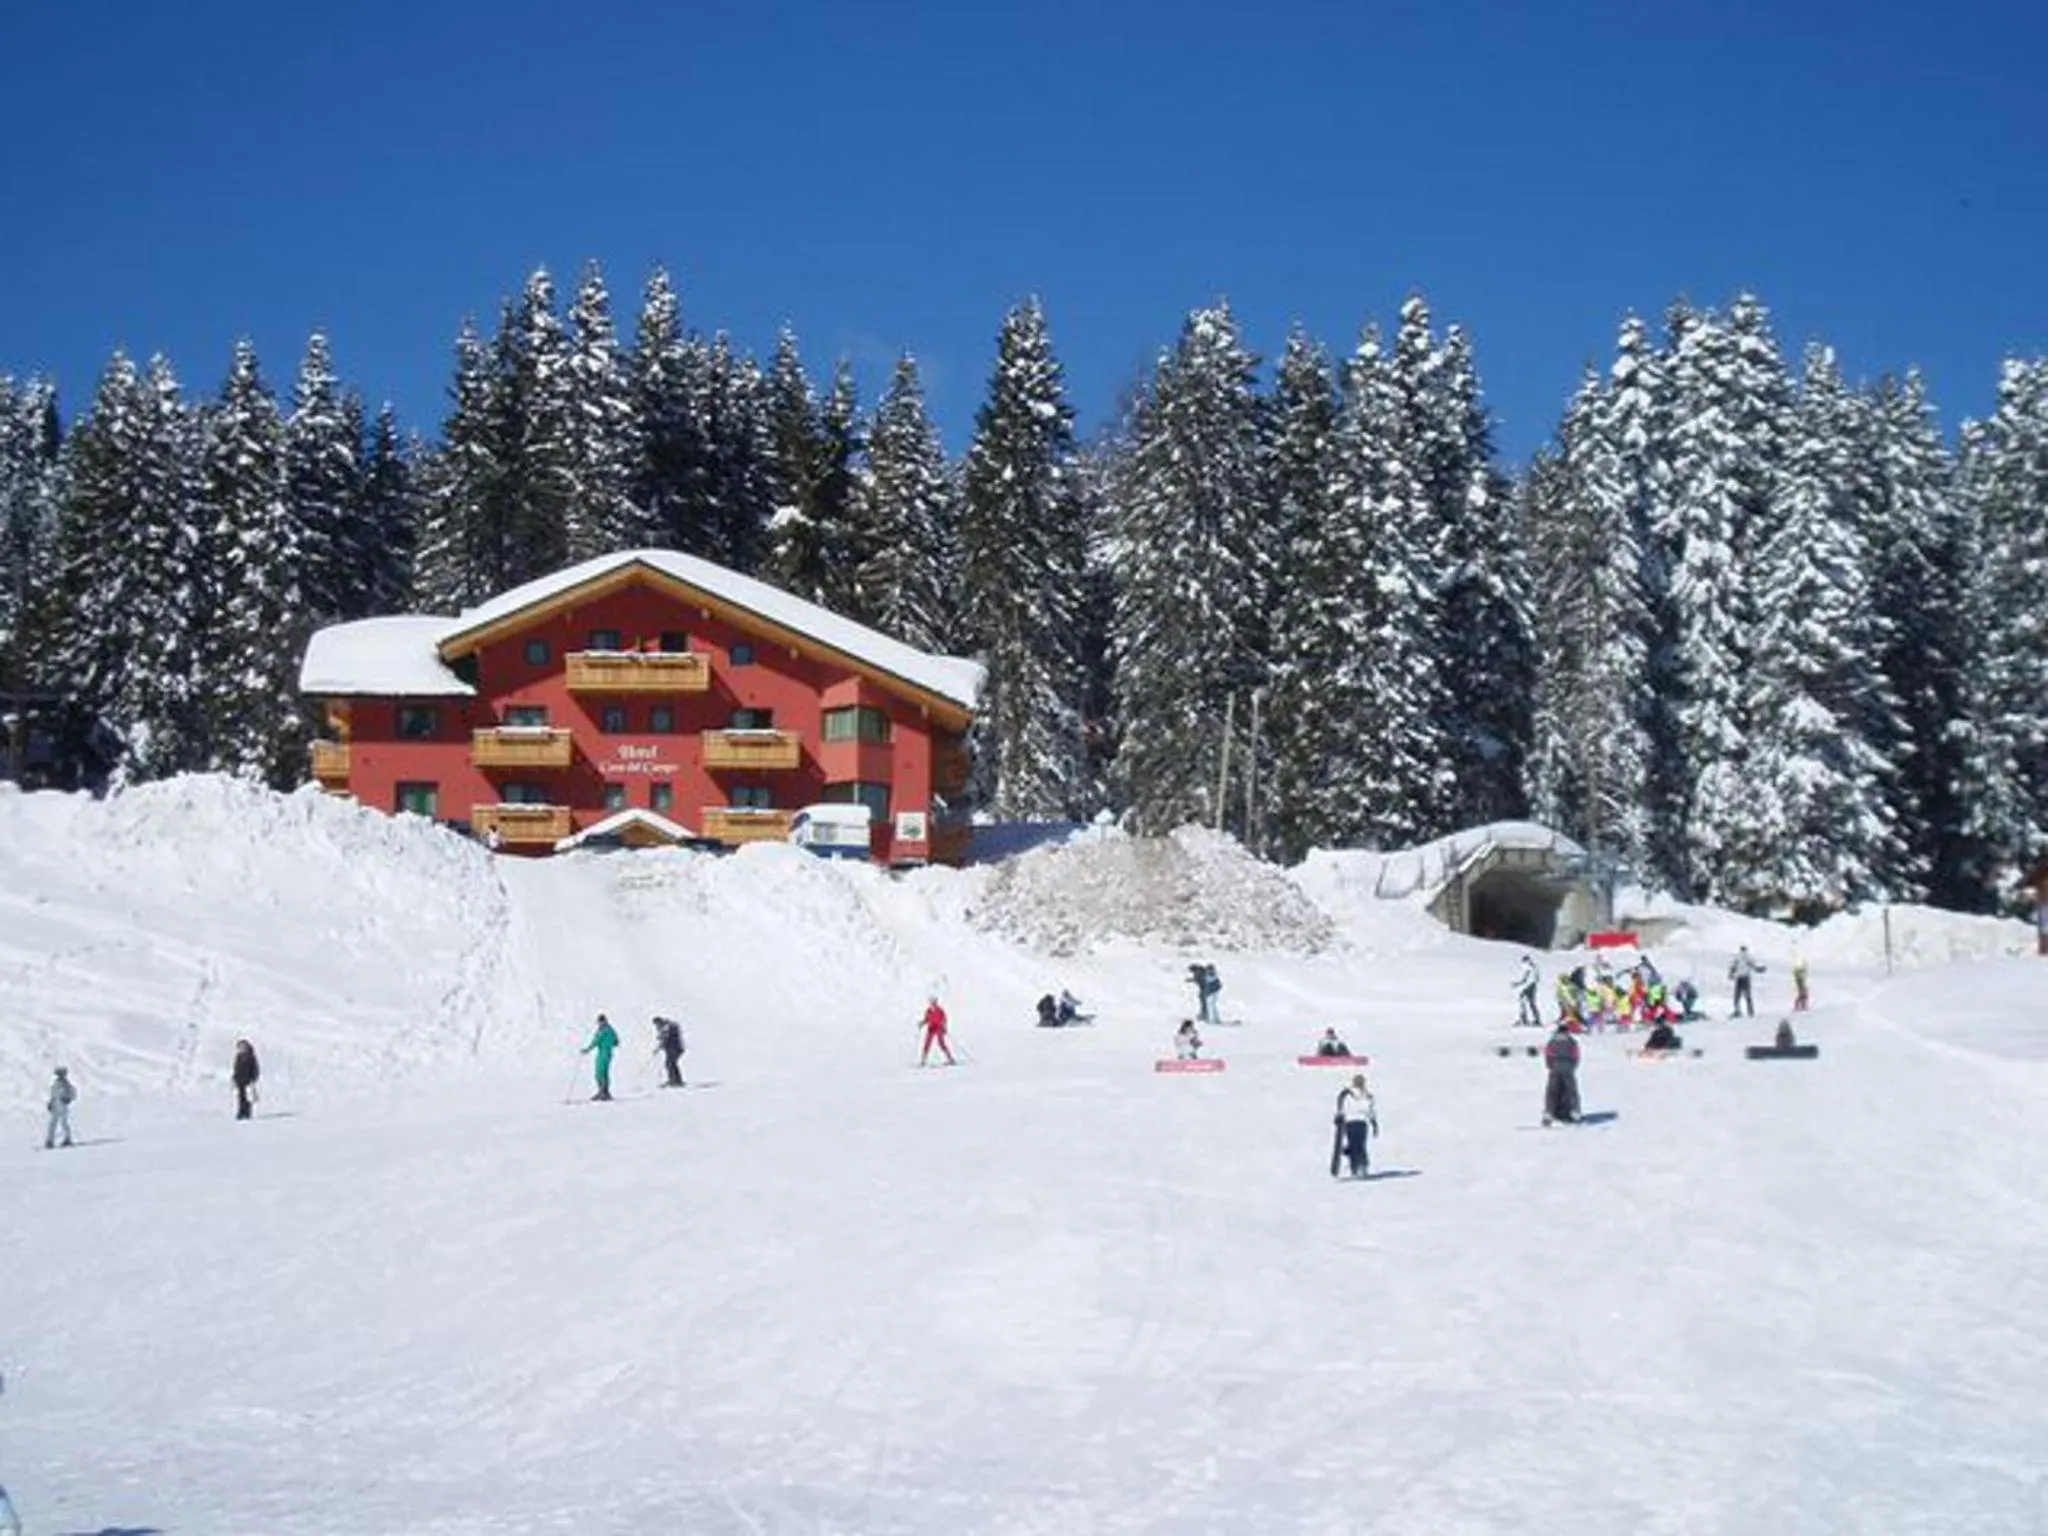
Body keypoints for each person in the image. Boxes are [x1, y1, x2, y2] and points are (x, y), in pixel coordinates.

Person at [1333, 1073, 1378, 1179]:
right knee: (1357, 1145)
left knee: (1357, 1145)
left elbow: (1370, 1111)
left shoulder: (1366, 1095)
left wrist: (1374, 1123)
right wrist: (1339, 1116)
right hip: (1352, 1122)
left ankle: (1360, 1166)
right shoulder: (1348, 1093)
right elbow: (1341, 1106)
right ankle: (1357, 1167)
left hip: (1358, 1122)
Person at [1542, 1021, 1581, 1126]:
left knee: (1552, 1091)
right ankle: (1574, 1111)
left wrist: (1550, 1066)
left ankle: (1549, 1113)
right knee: (1571, 1091)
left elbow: (1548, 1055)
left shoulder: (1552, 1042)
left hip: (1555, 1067)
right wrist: (1573, 1066)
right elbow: (1576, 1055)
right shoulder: (1572, 1042)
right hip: (1568, 1067)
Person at [582, 1014, 620, 1100]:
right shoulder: (611, 1030)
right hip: (609, 1053)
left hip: (603, 1053)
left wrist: (587, 1050)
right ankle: (605, 1092)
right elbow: (616, 1042)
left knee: (599, 1073)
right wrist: (609, 1043)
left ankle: (602, 1092)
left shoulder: (603, 1030)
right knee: (605, 1073)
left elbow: (596, 1041)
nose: (599, 1024)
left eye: (599, 1022)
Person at [1729, 946, 1766, 1018]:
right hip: (1745, 977)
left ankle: (1738, 1010)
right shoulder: (1748, 957)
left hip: (1739, 978)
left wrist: (1731, 974)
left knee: (1737, 996)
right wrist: (1760, 970)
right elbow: (1754, 966)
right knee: (1747, 995)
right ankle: (1750, 1011)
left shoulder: (1738, 956)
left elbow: (1733, 966)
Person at [919, 995, 955, 1066]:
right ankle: (923, 1060)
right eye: (931, 1002)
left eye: (934, 1002)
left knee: (941, 1044)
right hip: (931, 1028)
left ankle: (950, 1059)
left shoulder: (940, 1010)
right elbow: (927, 1019)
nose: (933, 1003)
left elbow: (944, 1019)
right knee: (927, 1044)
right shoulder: (928, 1011)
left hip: (939, 1028)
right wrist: (922, 1023)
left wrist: (944, 1027)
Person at [44, 1066, 75, 1150]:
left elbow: (73, 1094)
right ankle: (50, 1140)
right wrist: (50, 1102)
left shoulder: (67, 1084)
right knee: (52, 1123)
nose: (59, 1076)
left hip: (62, 1105)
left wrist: (68, 1099)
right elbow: (53, 1094)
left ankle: (67, 1138)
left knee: (64, 1123)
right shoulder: (56, 1083)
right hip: (55, 1105)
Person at [232, 1038, 261, 1120]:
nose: (241, 1049)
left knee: (248, 1097)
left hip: (248, 1080)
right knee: (241, 1097)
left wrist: (253, 1078)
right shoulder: (238, 1057)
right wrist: (235, 1077)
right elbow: (236, 1068)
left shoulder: (251, 1057)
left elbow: (255, 1068)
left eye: (243, 1047)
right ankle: (241, 1112)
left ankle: (247, 1112)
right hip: (240, 1081)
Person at [653, 1015, 685, 1088]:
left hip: (675, 1048)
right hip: (672, 1048)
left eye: (657, 1024)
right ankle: (675, 1080)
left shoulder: (667, 1027)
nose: (656, 1026)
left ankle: (675, 1080)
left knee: (670, 1063)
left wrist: (661, 1045)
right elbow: (663, 1039)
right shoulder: (664, 1028)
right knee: (670, 1064)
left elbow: (666, 1039)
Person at [1514, 954, 1541, 1027]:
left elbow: (1525, 978)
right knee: (1530, 1003)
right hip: (1531, 986)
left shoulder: (1529, 967)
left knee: (1525, 1001)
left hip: (1529, 986)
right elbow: (1537, 978)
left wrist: (1518, 984)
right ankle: (1535, 1019)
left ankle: (1525, 1019)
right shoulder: (1533, 966)